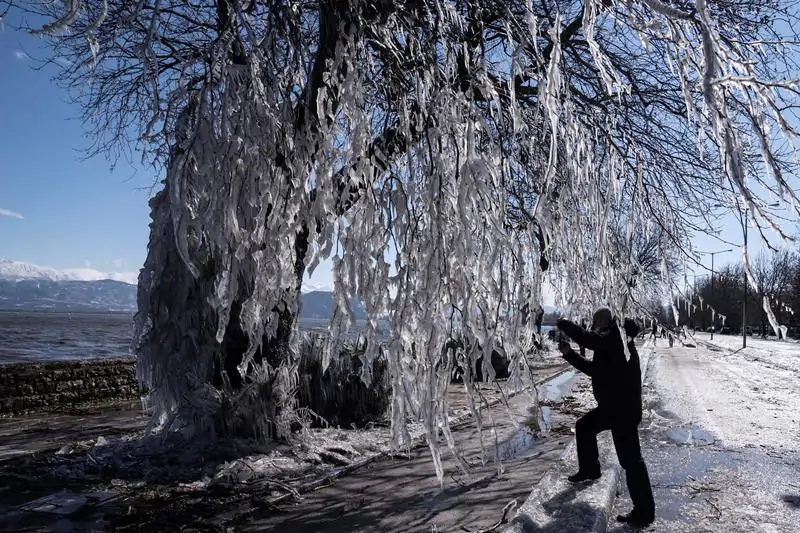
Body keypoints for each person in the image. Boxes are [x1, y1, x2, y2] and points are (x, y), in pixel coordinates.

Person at [557, 309, 655, 527]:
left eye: (595, 320)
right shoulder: (611, 340)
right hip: (613, 408)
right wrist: (569, 354)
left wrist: (564, 323)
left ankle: (644, 513)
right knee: (584, 427)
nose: (592, 324)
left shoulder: (616, 337)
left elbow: (587, 339)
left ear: (605, 321)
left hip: (623, 411)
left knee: (632, 461)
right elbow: (595, 370)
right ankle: (590, 469)